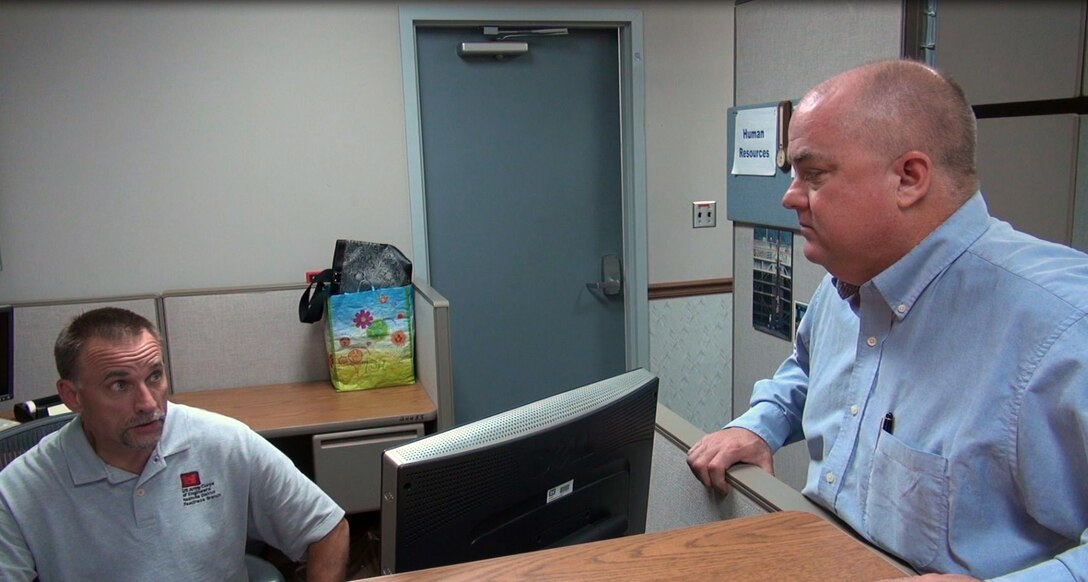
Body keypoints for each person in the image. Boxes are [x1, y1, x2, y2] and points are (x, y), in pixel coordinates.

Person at [688, 59, 1088, 581]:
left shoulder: (1062, 325)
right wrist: (761, 425)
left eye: (813, 174)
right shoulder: (849, 275)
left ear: (909, 178)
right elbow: (808, 371)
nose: (789, 197)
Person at [0, 307, 350, 581]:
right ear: (72, 396)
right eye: (120, 385)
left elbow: (326, 529)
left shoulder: (223, 442)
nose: (149, 404)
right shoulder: (19, 491)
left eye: (154, 376)